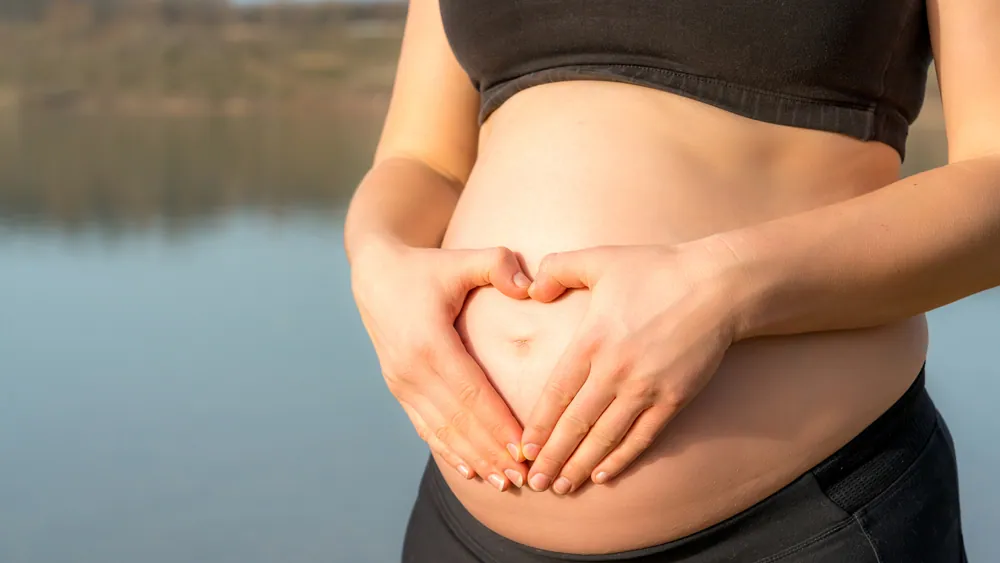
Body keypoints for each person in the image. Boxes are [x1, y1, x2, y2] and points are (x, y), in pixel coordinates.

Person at [345, 0, 994, 560]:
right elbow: (422, 158)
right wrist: (377, 261)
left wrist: (725, 287)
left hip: (799, 522)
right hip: (462, 530)